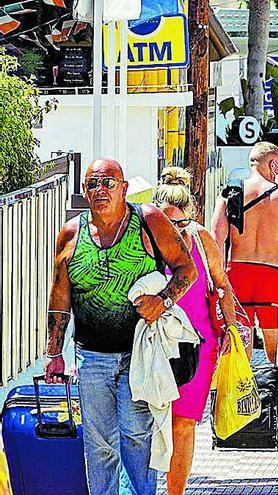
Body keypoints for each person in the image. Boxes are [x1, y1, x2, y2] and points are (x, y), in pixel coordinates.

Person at [44, 159, 197, 495]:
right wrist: (54, 353)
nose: (100, 190)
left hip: (139, 354)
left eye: (108, 183)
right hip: (91, 357)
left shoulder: (149, 220)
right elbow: (60, 296)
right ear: (84, 191)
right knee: (98, 446)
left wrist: (163, 300)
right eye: (93, 184)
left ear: (124, 188)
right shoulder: (71, 233)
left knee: (137, 438)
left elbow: (187, 269)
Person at [211, 141, 278, 445]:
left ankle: (227, 414)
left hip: (236, 276)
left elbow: (216, 239)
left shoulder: (230, 195)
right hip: (269, 277)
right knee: (275, 351)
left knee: (232, 348)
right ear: (274, 165)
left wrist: (218, 283)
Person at [152, 167, 238, 495]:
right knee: (144, 425)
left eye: (180, 223)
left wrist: (231, 328)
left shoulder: (201, 240)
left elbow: (223, 284)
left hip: (198, 345)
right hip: (153, 344)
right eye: (167, 223)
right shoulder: (144, 240)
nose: (174, 230)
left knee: (184, 423)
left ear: (190, 216)